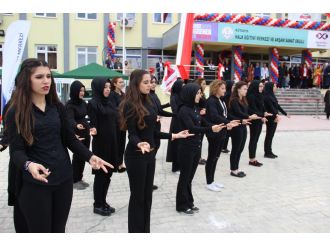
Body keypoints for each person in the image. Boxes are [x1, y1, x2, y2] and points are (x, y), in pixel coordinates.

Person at [6, 58, 111, 233]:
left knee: (58, 230)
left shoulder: (57, 107)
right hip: (35, 184)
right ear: (27, 80)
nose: (46, 80)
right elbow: (16, 151)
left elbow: (70, 139)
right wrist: (29, 165)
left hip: (63, 179)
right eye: (39, 77)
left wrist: (90, 156)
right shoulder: (15, 112)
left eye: (48, 76)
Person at [119, 69, 192, 232]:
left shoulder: (150, 101)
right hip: (136, 156)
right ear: (135, 84)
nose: (150, 84)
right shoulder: (129, 104)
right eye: (145, 82)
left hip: (149, 154)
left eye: (150, 81)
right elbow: (131, 134)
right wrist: (139, 144)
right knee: (138, 198)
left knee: (147, 198)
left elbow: (153, 132)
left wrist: (174, 135)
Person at [176, 83, 225, 214]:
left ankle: (189, 202)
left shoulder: (195, 107)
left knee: (190, 177)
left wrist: (214, 126)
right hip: (186, 148)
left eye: (200, 93)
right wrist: (210, 128)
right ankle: (181, 205)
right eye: (198, 93)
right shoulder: (184, 110)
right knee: (185, 177)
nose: (200, 95)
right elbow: (192, 128)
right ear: (190, 94)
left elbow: (202, 122)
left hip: (196, 146)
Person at [88, 77, 119, 216]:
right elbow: (92, 124)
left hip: (112, 142)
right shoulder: (93, 103)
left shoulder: (110, 102)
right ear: (99, 88)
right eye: (105, 87)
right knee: (101, 175)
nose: (107, 89)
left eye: (109, 87)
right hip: (101, 145)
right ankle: (97, 204)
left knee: (108, 174)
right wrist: (91, 128)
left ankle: (103, 201)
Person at [204, 80, 240, 191]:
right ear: (216, 88)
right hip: (214, 132)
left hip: (222, 131)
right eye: (222, 88)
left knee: (216, 157)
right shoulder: (211, 101)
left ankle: (212, 180)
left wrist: (231, 121)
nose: (225, 90)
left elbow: (225, 114)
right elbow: (215, 116)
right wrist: (227, 123)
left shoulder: (221, 100)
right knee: (212, 157)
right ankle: (209, 182)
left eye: (225, 88)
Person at [228, 81, 261, 178]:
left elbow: (247, 110)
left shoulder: (244, 99)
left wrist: (257, 115)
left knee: (240, 149)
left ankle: (236, 168)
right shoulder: (234, 100)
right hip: (236, 126)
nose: (246, 91)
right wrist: (249, 116)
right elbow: (238, 113)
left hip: (243, 126)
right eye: (244, 89)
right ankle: (233, 170)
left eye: (246, 89)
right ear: (238, 89)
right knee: (235, 148)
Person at [65, 80, 91, 190]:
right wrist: (76, 125)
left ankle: (79, 177)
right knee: (77, 157)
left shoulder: (83, 103)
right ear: (75, 91)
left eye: (83, 91)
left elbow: (89, 115)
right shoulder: (70, 105)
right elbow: (69, 119)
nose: (82, 93)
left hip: (86, 133)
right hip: (76, 134)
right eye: (80, 90)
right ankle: (74, 180)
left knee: (84, 156)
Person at [149, 76, 173, 190]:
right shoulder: (146, 96)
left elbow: (159, 110)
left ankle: (149, 181)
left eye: (154, 82)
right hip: (150, 128)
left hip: (157, 126)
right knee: (150, 156)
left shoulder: (154, 95)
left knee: (155, 150)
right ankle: (147, 182)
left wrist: (174, 114)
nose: (153, 84)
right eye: (150, 82)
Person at [247, 81, 272, 167]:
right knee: (253, 139)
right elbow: (252, 109)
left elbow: (261, 107)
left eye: (262, 86)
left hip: (259, 119)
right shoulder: (251, 96)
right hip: (254, 120)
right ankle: (252, 159)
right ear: (255, 87)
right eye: (260, 86)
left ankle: (253, 158)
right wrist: (262, 115)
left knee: (256, 139)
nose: (262, 88)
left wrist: (264, 113)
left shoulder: (260, 95)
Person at [263, 82, 290, 158]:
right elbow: (271, 108)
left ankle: (269, 151)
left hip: (274, 117)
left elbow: (277, 106)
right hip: (271, 118)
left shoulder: (272, 96)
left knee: (271, 135)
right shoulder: (267, 97)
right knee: (269, 135)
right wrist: (276, 115)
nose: (276, 87)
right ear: (270, 87)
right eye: (274, 86)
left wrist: (285, 113)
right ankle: (267, 152)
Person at [166, 79, 184, 173]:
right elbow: (175, 111)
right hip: (176, 123)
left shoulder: (182, 96)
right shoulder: (174, 97)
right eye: (182, 85)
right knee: (176, 144)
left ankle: (180, 165)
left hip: (182, 122)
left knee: (181, 145)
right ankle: (175, 167)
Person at [109, 76, 127, 173]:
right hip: (115, 124)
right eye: (120, 82)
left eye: (123, 82)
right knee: (116, 144)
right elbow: (114, 109)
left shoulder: (124, 94)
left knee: (122, 144)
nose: (122, 84)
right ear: (115, 84)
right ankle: (116, 164)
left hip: (123, 124)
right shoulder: (112, 95)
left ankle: (120, 163)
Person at [195, 78, 208, 165]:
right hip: (199, 118)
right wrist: (201, 110)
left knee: (201, 139)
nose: (204, 85)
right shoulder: (197, 93)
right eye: (203, 83)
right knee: (198, 139)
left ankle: (199, 156)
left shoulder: (203, 94)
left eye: (205, 83)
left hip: (203, 118)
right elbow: (195, 106)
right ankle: (197, 157)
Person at [222, 80, 235, 153]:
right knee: (226, 132)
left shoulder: (231, 94)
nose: (234, 87)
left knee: (228, 132)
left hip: (229, 115)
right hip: (227, 115)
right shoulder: (227, 95)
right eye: (233, 86)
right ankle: (223, 146)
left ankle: (224, 146)